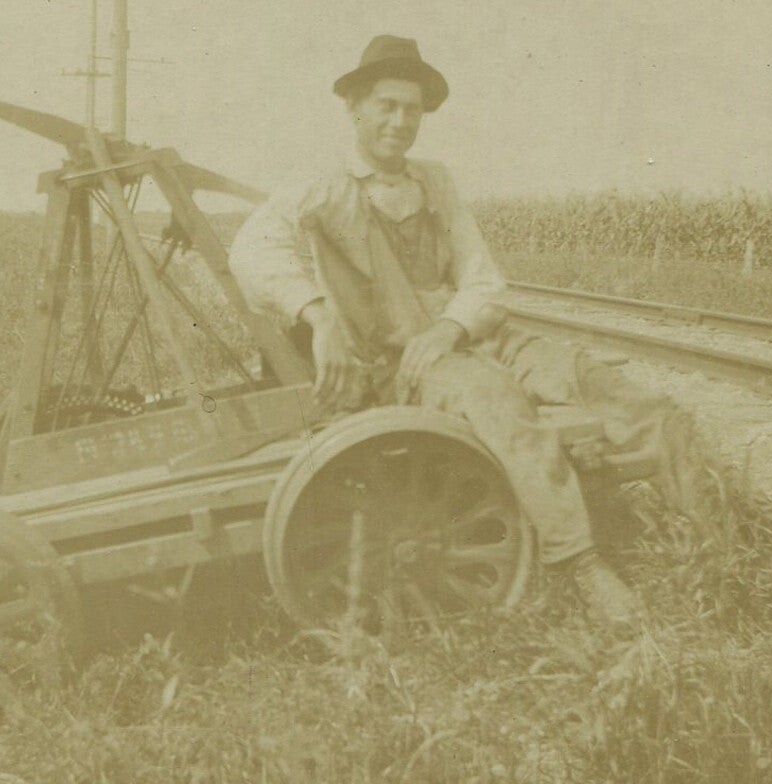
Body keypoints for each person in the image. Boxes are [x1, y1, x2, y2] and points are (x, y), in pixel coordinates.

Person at [229, 35, 705, 626]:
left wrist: (451, 326)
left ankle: (712, 549)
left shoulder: (436, 182)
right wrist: (319, 314)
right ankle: (580, 563)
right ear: (354, 107)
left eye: (412, 109)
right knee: (499, 403)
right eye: (387, 105)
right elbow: (252, 247)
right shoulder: (327, 185)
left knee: (617, 392)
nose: (401, 122)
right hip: (402, 363)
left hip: (467, 338)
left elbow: (484, 282)